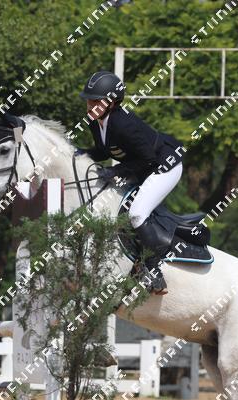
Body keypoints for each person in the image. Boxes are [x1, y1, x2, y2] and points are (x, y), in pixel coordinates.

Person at [76, 70, 184, 295]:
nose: (89, 106)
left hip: (165, 165)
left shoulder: (123, 124)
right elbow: (102, 151)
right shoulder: (95, 122)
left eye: (95, 101)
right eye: (89, 101)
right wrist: (78, 153)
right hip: (143, 166)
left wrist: (115, 170)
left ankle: (154, 272)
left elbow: (148, 159)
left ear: (111, 102)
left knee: (136, 214)